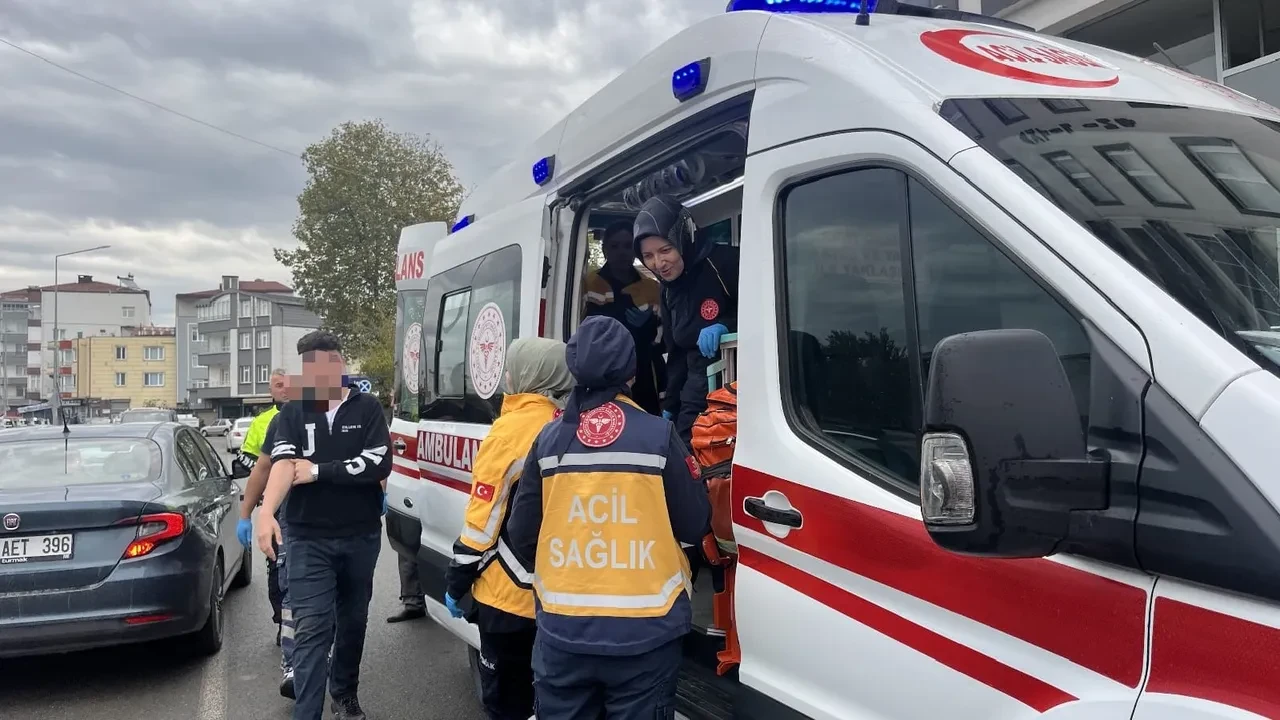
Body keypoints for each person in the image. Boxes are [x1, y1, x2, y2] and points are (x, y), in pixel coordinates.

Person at [506, 316, 712, 719]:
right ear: (632, 372)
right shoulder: (657, 435)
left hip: (563, 633)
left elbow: (521, 533)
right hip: (646, 636)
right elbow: (694, 522)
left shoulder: (548, 440)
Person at [256, 331, 393, 720]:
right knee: (312, 629)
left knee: (353, 621)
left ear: (339, 365)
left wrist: (318, 471)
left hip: (359, 536)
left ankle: (345, 693)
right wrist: (266, 513)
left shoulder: (367, 409)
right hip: (307, 538)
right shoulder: (294, 412)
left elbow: (378, 463)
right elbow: (283, 464)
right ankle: (307, 712)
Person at [442, 337, 574, 720]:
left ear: (531, 374)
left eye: (513, 368)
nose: (506, 375)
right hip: (562, 592)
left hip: (509, 598)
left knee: (506, 703)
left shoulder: (509, 431)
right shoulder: (573, 422)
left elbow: (483, 524)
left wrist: (456, 581)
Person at [633, 194, 740, 446]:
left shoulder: (725, 263)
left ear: (683, 238)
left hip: (740, 384)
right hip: (698, 386)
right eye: (648, 256)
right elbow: (676, 353)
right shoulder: (667, 288)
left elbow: (770, 309)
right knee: (686, 449)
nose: (658, 263)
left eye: (665, 250)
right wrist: (670, 406)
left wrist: (728, 326)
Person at [235, 369, 298, 699]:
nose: (285, 389)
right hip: (278, 510)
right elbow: (253, 462)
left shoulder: (321, 412)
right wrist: (249, 511)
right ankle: (290, 651)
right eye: (278, 385)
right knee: (282, 577)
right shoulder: (266, 421)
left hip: (312, 511)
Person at [584, 221, 666, 415]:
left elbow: (663, 338)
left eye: (627, 246)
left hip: (644, 369)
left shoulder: (652, 288)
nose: (621, 252)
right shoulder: (588, 285)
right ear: (604, 250)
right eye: (614, 246)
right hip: (603, 370)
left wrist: (648, 325)